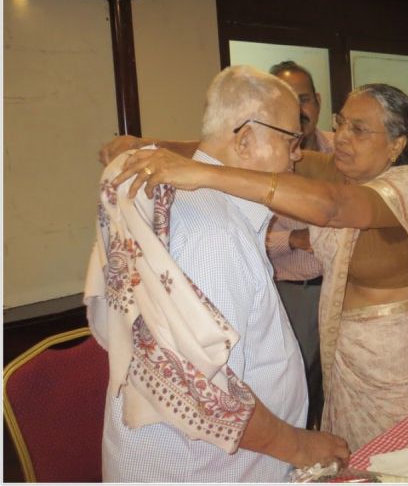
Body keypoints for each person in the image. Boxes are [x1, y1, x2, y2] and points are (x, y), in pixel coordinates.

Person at [105, 83, 408, 452]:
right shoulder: (336, 171)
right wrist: (147, 146)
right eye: (341, 123)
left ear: (397, 144)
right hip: (342, 352)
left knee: (394, 460)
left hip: (394, 360)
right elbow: (233, 149)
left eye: (360, 130)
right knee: (351, 456)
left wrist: (201, 175)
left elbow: (333, 208)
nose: (342, 137)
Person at [87, 66, 348, 481]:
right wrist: (299, 445)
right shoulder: (213, 234)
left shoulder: (204, 202)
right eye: (290, 141)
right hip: (202, 468)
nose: (297, 155)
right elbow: (202, 387)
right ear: (245, 140)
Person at [267, 61, 333, 429]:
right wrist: (291, 239)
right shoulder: (260, 161)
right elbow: (246, 236)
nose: (298, 109)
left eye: (304, 99)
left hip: (343, 290)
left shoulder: (341, 150)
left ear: (317, 102)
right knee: (297, 389)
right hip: (293, 293)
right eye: (286, 100)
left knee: (337, 387)